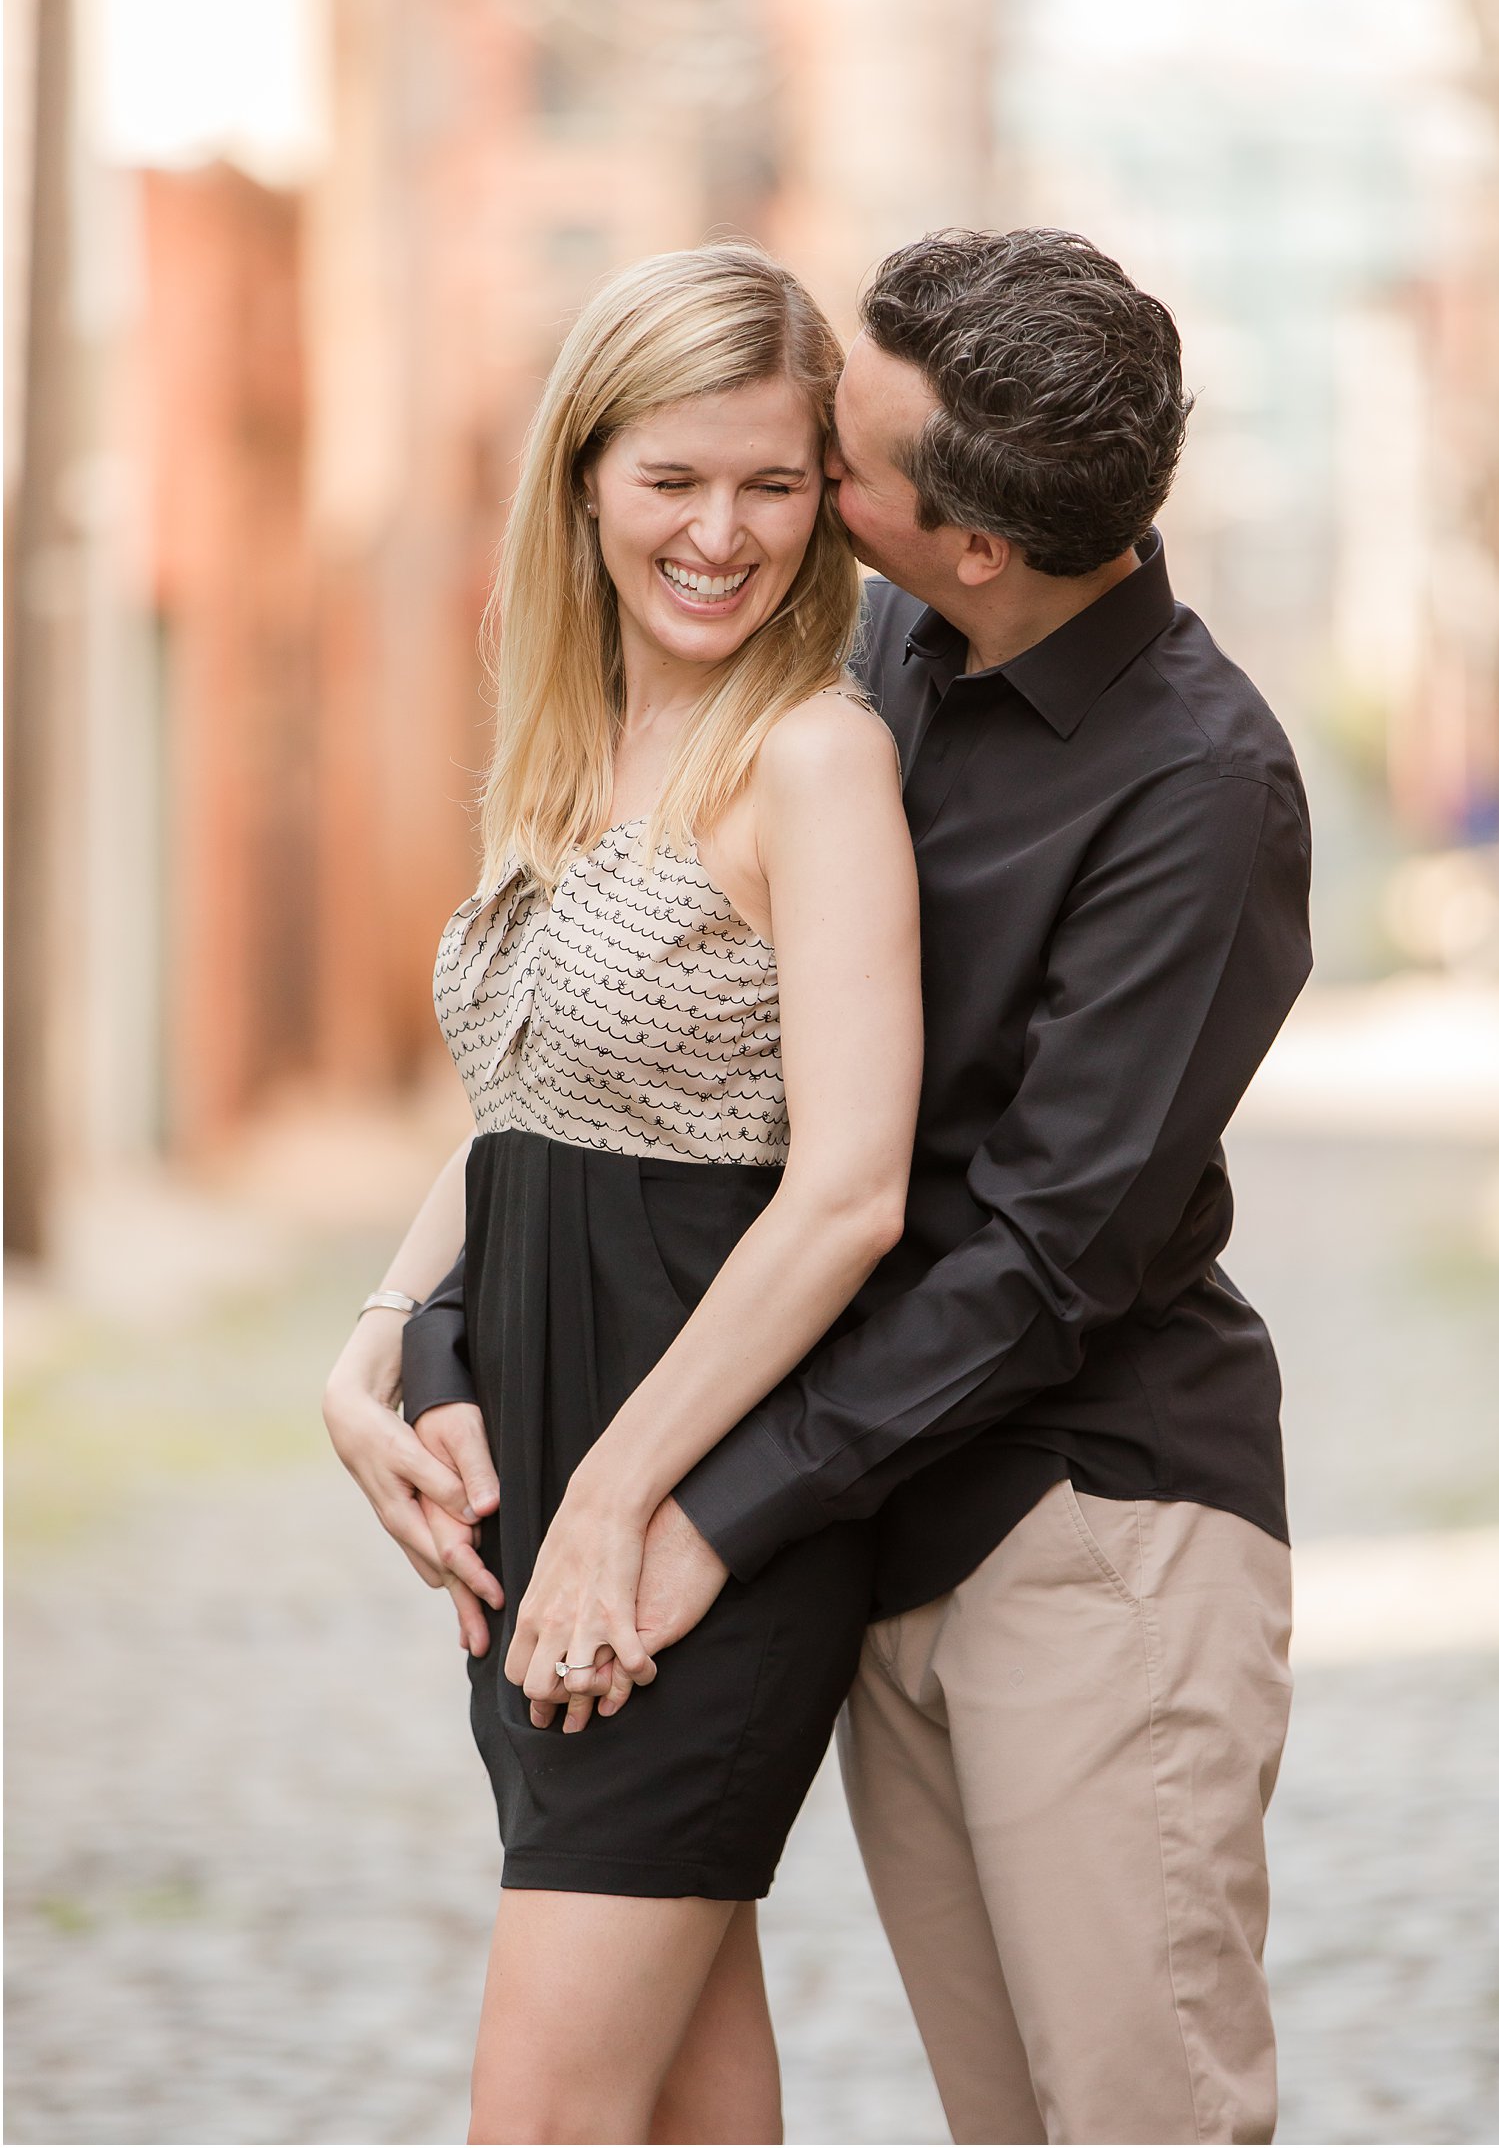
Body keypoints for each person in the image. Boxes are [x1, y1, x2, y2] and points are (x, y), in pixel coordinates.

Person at [366, 227, 1312, 2146]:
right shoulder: (879, 650)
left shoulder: (1201, 786)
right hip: (864, 1511)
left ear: (968, 537)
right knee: (987, 2114)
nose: (790, 486)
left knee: (1133, 2116)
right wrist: (420, 1321)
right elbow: (629, 1065)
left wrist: (692, 1507)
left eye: (833, 462)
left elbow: (1042, 1253)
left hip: (1083, 1519)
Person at [322, 243, 921, 2147]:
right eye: (673, 479)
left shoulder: (815, 759)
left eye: (768, 480)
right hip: (561, 1508)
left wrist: (609, 1503)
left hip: (681, 1521)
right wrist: (372, 1345)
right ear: (584, 477)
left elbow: (846, 1195)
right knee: (681, 2103)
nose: (721, 533)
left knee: (551, 2119)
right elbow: (527, 1107)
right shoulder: (584, 746)